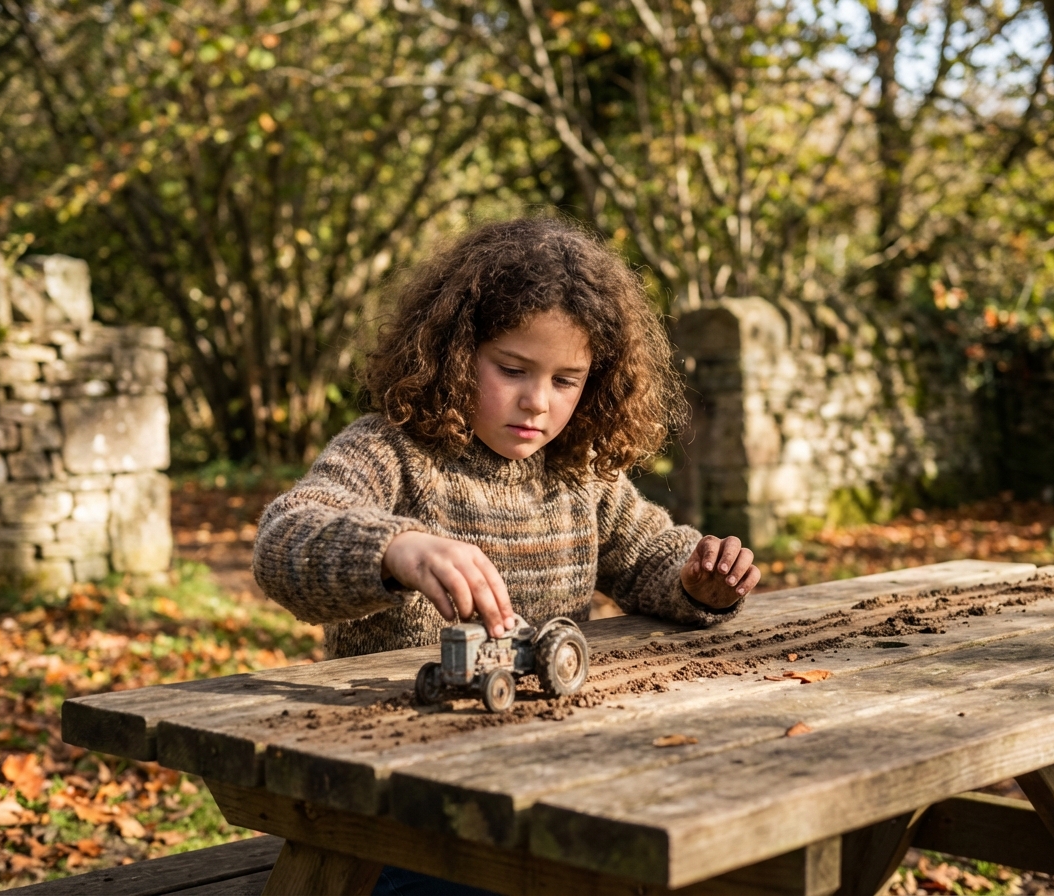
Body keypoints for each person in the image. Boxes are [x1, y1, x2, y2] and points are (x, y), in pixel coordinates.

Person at [252, 216, 760, 895]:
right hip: (401, 806)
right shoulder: (390, 455)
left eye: (565, 380)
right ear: (456, 353)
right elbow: (286, 539)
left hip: (549, 782)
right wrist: (395, 546)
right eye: (513, 370)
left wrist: (700, 581)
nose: (537, 403)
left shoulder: (579, 475)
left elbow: (651, 556)